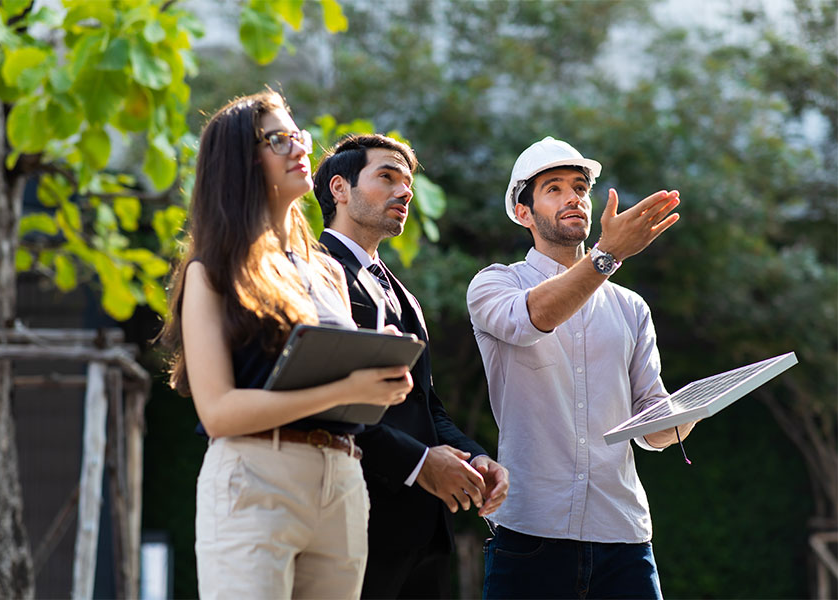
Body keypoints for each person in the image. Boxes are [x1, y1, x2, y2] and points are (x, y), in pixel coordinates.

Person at [160, 92, 415, 599]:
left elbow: (337, 384)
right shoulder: (211, 270)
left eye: (298, 136)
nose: (300, 147)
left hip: (342, 477)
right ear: (239, 161)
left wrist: (377, 372)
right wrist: (347, 385)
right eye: (279, 139)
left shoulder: (326, 270)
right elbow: (219, 412)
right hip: (255, 476)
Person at [467, 136, 698, 599]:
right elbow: (537, 318)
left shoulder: (631, 307)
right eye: (554, 188)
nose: (573, 197)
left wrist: (691, 411)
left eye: (580, 187)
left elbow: (652, 431)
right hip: (530, 532)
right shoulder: (495, 284)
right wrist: (607, 256)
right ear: (522, 213)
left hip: (624, 536)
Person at [313, 134, 510, 599]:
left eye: (409, 183)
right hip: (352, 521)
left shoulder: (404, 294)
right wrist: (419, 463)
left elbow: (426, 406)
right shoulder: (314, 272)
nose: (405, 192)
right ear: (339, 188)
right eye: (387, 177)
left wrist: (474, 456)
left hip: (425, 534)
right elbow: (324, 402)